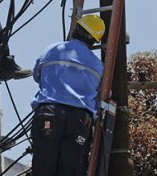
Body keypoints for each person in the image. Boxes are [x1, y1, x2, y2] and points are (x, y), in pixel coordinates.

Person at [30, 14, 106, 176]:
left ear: (75, 29)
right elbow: (104, 93)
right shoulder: (98, 66)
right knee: (72, 169)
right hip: (79, 119)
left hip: (49, 112)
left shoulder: (52, 50)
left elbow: (37, 75)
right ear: (94, 41)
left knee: (43, 166)